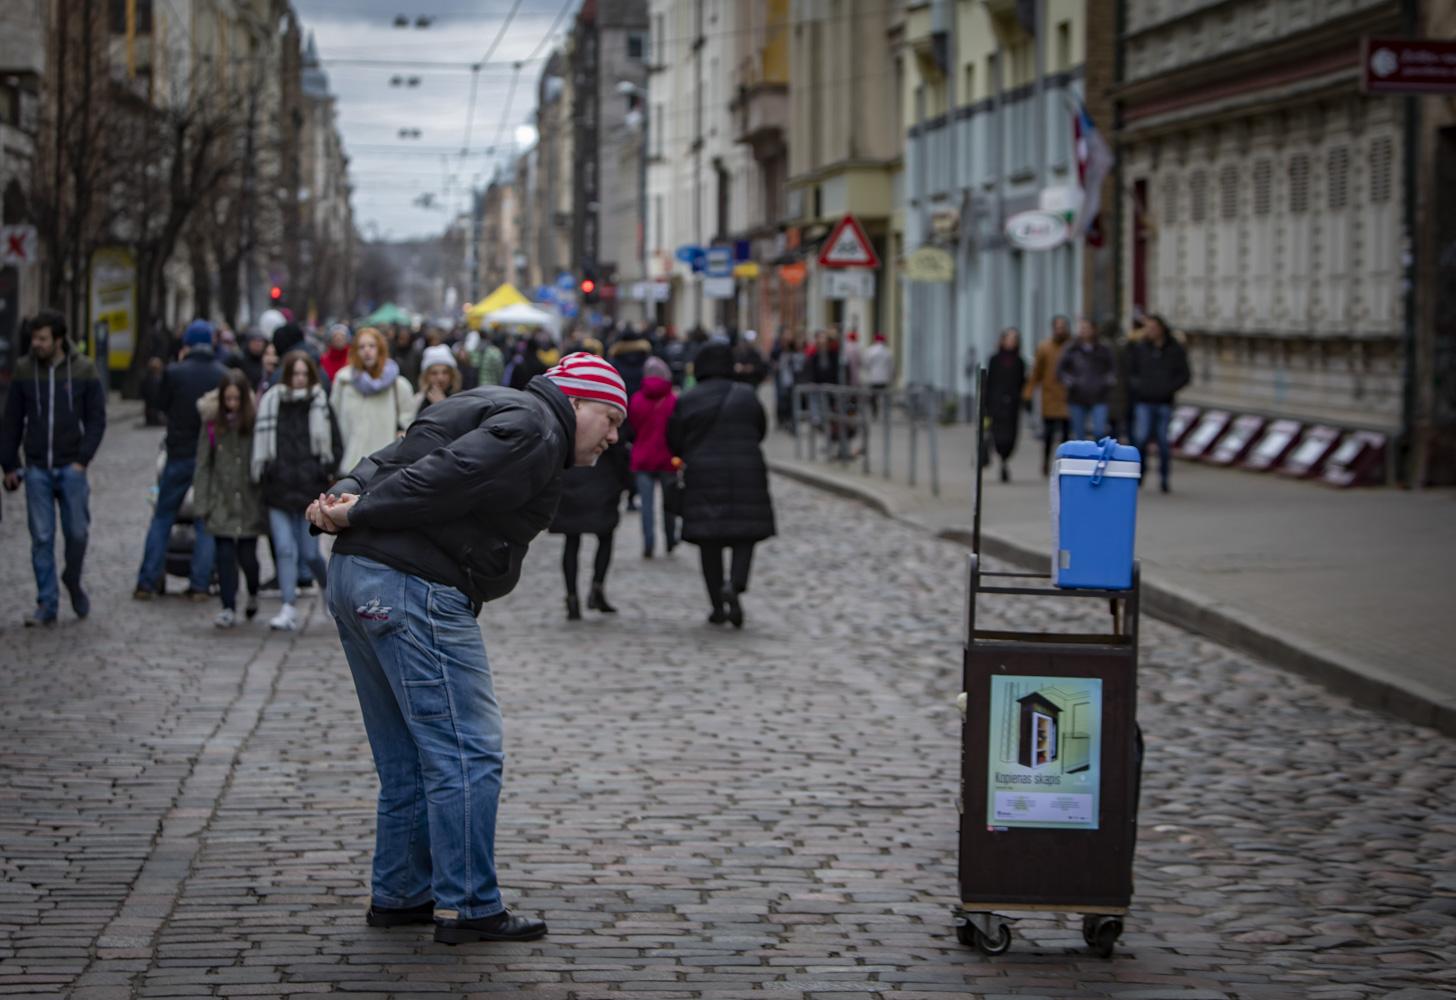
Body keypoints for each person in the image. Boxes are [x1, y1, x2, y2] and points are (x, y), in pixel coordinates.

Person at [305, 350, 626, 946]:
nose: (614, 436)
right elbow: (447, 475)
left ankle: (402, 893)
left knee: (407, 756)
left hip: (359, 579)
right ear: (578, 401)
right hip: (411, 586)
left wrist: (343, 493)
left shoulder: (493, 403)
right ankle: (471, 904)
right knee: (467, 750)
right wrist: (357, 509)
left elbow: (397, 453)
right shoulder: (535, 427)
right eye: (611, 418)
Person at [1, 310, 107, 626]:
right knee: (42, 538)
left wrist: (82, 459)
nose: (37, 344)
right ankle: (46, 602)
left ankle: (71, 579)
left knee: (77, 533)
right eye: (34, 338)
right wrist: (9, 464)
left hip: (71, 467)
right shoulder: (24, 370)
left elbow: (97, 419)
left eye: (43, 338)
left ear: (58, 339)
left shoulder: (84, 370)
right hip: (37, 469)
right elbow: (11, 422)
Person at [666, 342, 775, 629]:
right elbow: (761, 429)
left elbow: (674, 439)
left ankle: (717, 605)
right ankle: (735, 584)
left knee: (709, 541)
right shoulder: (747, 395)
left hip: (702, 474)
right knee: (745, 533)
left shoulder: (689, 399)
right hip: (747, 471)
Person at [134, 320, 226, 600]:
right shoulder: (221, 373)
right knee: (205, 521)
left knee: (162, 516)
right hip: (208, 457)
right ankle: (200, 584)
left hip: (178, 454)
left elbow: (160, 404)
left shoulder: (174, 372)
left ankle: (147, 583)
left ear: (186, 344)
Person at [253, 350, 340, 631]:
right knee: (284, 549)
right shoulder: (271, 402)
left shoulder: (320, 403)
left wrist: (323, 472)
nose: (300, 379)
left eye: (304, 374)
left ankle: (328, 588)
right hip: (278, 488)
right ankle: (288, 606)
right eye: (295, 374)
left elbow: (334, 445)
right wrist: (266, 473)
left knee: (310, 553)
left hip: (308, 491)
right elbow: (261, 443)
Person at [192, 370, 266, 628]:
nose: (232, 404)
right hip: (220, 499)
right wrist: (202, 503)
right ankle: (227, 606)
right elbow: (203, 464)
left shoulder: (254, 422)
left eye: (236, 399)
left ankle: (253, 592)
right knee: (224, 557)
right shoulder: (212, 423)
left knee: (248, 557)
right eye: (228, 399)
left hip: (248, 500)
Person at [549, 411, 631, 619]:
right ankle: (597, 587)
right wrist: (625, 483)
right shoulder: (607, 413)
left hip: (571, 482)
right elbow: (620, 449)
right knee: (604, 536)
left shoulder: (566, 412)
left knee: (572, 540)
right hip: (602, 481)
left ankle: (572, 596)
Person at [331, 326, 417, 475]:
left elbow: (409, 422)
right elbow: (333, 421)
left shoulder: (398, 385)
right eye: (361, 347)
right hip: (349, 466)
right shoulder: (343, 381)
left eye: (372, 346)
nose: (367, 351)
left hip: (383, 469)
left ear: (380, 349)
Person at [1127, 314, 1190, 494]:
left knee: (1163, 441)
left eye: (1153, 327)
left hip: (1164, 401)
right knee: (1142, 438)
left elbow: (1184, 375)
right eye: (1147, 328)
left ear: (1162, 329)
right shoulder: (1140, 348)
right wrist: (1139, 387)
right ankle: (1140, 474)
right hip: (1144, 401)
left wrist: (1168, 388)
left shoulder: (1173, 349)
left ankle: (1164, 477)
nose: (1150, 331)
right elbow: (1131, 372)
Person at [628, 356, 679, 559]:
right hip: (667, 458)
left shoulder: (637, 399)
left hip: (642, 457)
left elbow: (631, 428)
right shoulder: (673, 400)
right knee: (669, 503)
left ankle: (648, 542)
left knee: (646, 506)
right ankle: (669, 539)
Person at [1023, 315, 1072, 476]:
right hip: (1050, 396)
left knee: (1066, 435)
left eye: (1063, 327)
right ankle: (1045, 462)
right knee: (1048, 435)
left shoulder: (1072, 346)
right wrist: (1028, 393)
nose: (1060, 330)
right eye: (1057, 327)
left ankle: (1064, 464)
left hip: (1068, 397)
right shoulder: (1045, 347)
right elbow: (1036, 373)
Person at [1056, 316, 1118, 440]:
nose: (1084, 331)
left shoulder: (1103, 349)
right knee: (1079, 435)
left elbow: (1113, 369)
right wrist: (1070, 382)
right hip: (1077, 396)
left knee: (1099, 431)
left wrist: (1106, 382)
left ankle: (1097, 456)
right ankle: (1083, 458)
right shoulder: (1071, 348)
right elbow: (1060, 370)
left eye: (1087, 328)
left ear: (1094, 330)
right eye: (1082, 328)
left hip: (1099, 396)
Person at [985, 328, 1027, 483]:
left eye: (1014, 338)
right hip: (996, 404)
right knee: (997, 434)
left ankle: (1005, 459)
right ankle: (1002, 459)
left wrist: (1023, 401)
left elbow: (1023, 383)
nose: (1011, 341)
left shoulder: (1020, 362)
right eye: (1008, 338)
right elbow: (989, 382)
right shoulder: (994, 359)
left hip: (1013, 405)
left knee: (1011, 436)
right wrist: (986, 403)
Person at [415, 344, 462, 416]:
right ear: (426, 376)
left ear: (452, 375)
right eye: (434, 373)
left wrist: (443, 407)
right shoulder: (417, 401)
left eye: (445, 372)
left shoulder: (462, 399)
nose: (440, 378)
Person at [863, 333, 894, 417]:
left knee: (873, 396)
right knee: (884, 396)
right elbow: (891, 366)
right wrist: (891, 377)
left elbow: (866, 364)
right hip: (884, 378)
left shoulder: (870, 351)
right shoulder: (888, 351)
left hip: (873, 377)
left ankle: (874, 412)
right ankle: (885, 413)